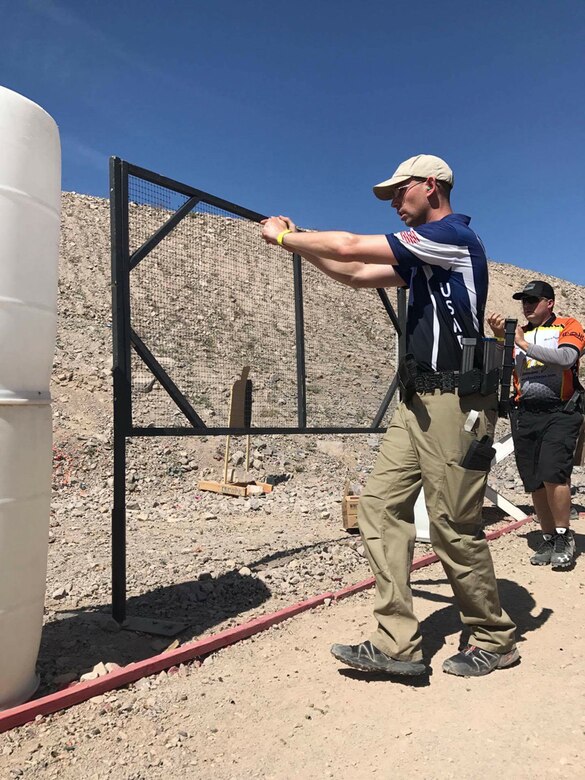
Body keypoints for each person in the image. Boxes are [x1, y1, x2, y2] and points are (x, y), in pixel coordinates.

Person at [261, 154, 518, 678]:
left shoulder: (452, 237)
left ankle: (495, 637)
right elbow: (354, 271)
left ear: (430, 186)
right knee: (378, 506)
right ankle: (396, 642)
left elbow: (352, 247)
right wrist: (302, 243)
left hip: (457, 402)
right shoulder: (425, 259)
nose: (396, 205)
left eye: (400, 193)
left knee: (451, 523)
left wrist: (287, 238)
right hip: (418, 400)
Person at [488, 281, 584, 569]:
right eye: (524, 301)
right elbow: (498, 368)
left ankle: (564, 534)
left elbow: (567, 358)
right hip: (525, 413)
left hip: (560, 411)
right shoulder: (518, 335)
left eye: (533, 300)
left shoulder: (568, 325)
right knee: (534, 480)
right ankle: (547, 536)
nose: (527, 305)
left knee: (554, 473)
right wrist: (498, 339)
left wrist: (522, 344)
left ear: (550, 303)